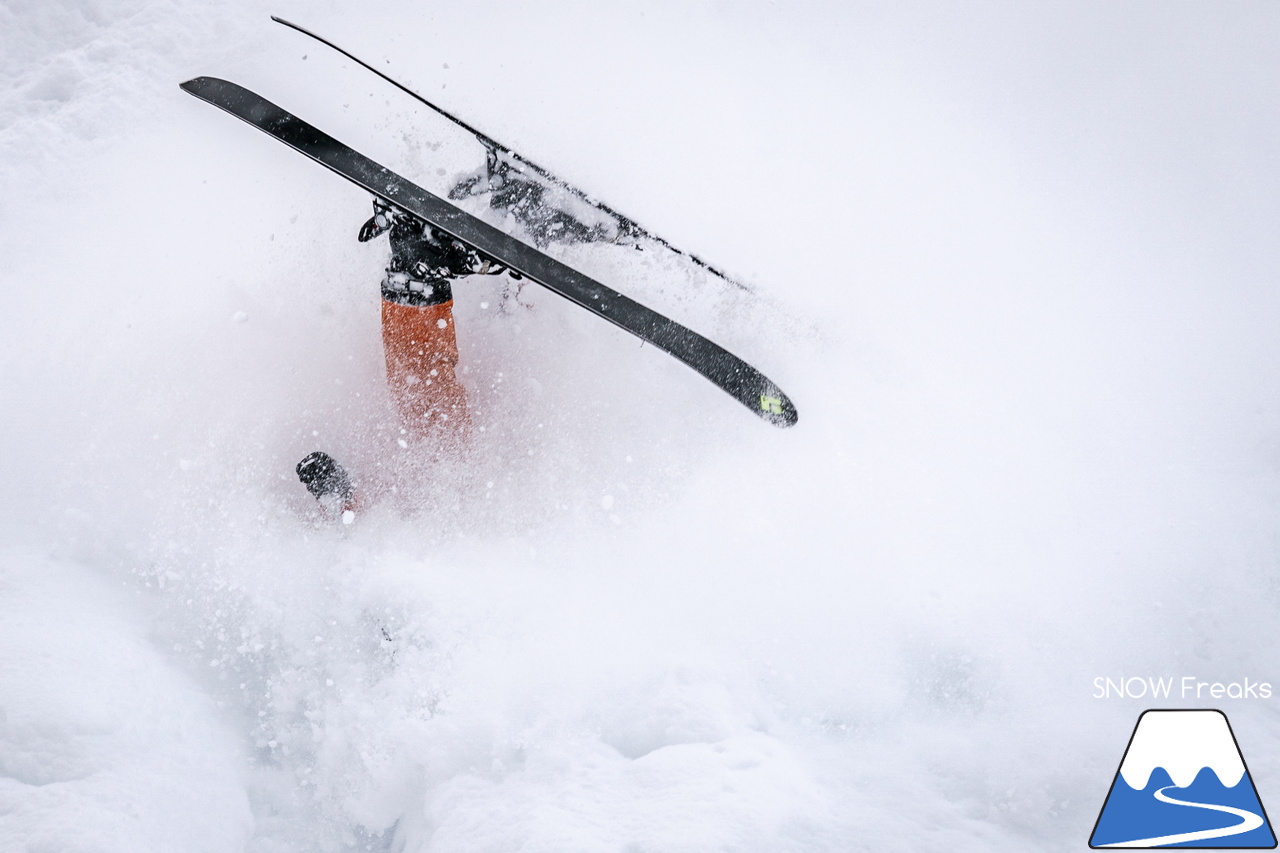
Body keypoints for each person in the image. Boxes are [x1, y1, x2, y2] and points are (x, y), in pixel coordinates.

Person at [296, 198, 509, 518]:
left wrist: (343, 501)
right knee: (437, 437)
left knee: (425, 414)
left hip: (443, 497)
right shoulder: (414, 532)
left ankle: (418, 262)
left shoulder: (390, 534)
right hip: (461, 499)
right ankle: (424, 261)